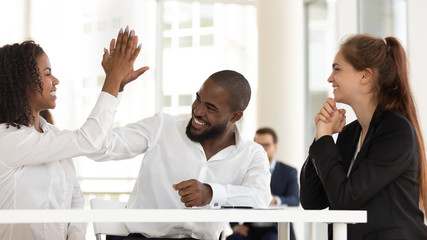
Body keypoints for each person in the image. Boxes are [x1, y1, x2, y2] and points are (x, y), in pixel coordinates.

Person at [0, 27, 148, 240]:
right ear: (22, 82)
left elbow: (76, 200)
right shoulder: (6, 140)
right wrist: (113, 80)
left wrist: (75, 236)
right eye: (47, 73)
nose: (56, 81)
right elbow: (88, 140)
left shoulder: (51, 134)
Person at [89, 70, 272, 240]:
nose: (198, 111)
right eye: (198, 99)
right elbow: (99, 148)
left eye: (210, 107)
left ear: (235, 116)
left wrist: (211, 192)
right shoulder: (161, 127)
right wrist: (114, 86)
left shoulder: (252, 154)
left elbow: (260, 198)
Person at [300, 33, 427, 240]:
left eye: (337, 69)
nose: (330, 78)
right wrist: (321, 136)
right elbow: (311, 200)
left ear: (365, 76)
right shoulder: (350, 133)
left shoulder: (396, 131)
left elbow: (345, 200)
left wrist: (325, 139)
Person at [227, 127, 299, 240]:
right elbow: (231, 199)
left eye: (266, 145)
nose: (262, 149)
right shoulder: (243, 171)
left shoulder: (289, 171)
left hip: (275, 228)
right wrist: (235, 226)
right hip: (250, 229)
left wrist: (276, 200)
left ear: (275, 146)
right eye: (258, 145)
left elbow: (295, 200)